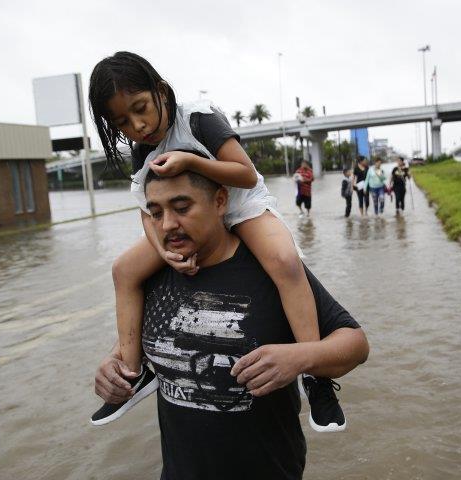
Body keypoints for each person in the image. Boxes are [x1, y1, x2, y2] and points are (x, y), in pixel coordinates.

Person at [87, 51, 342, 430]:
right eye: (122, 121)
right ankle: (131, 368)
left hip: (241, 206)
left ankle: (315, 375)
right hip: (192, 220)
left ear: (161, 91)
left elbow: (245, 175)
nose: (138, 125)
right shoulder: (143, 148)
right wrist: (162, 251)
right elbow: (146, 207)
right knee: (124, 269)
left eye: (140, 108)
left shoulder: (198, 119)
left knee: (285, 261)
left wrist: (191, 163)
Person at [95, 169, 369, 478]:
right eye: (155, 213)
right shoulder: (152, 277)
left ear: (220, 201)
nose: (168, 224)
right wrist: (113, 365)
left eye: (182, 208)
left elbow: (356, 344)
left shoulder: (273, 272)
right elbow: (145, 337)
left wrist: (300, 358)